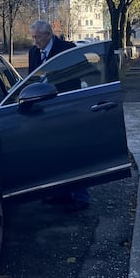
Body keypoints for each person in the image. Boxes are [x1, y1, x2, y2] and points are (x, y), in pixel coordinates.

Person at [27, 20, 88, 210]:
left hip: (65, 106)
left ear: (48, 35)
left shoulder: (67, 48)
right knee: (52, 152)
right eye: (33, 37)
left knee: (73, 151)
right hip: (44, 109)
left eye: (37, 37)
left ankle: (80, 195)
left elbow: (79, 72)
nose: (35, 41)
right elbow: (33, 78)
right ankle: (58, 193)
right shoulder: (33, 52)